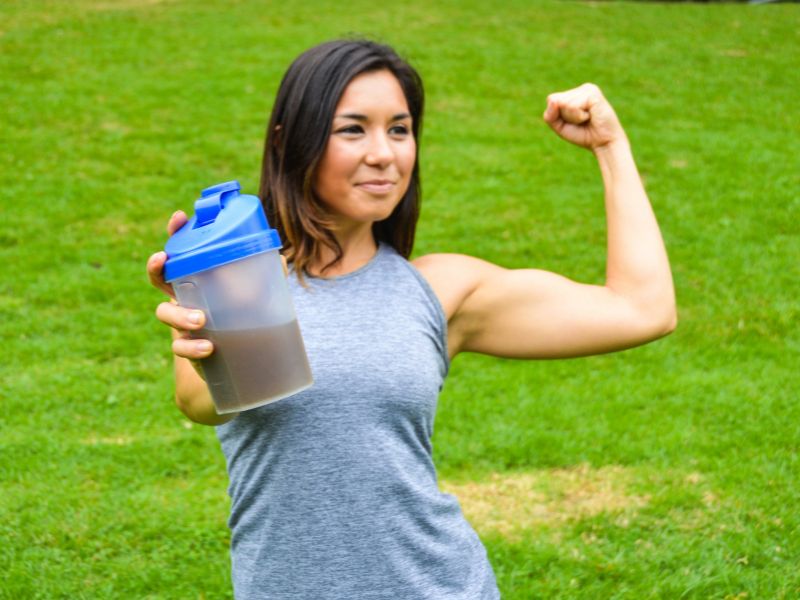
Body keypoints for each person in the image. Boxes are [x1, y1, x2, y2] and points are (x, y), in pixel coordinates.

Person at [147, 39, 676, 599]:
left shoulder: (439, 289)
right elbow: (200, 403)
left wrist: (610, 145)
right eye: (353, 129)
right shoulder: (247, 284)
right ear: (290, 140)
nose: (385, 153)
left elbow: (642, 309)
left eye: (399, 130)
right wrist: (208, 301)